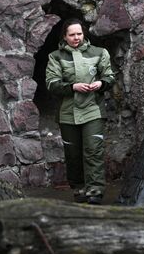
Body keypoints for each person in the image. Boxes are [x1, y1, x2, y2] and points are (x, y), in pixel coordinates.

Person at [46, 19, 116, 204]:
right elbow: (51, 84)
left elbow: (109, 76)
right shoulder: (55, 56)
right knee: (73, 155)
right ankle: (79, 189)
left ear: (84, 34)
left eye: (79, 34)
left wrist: (101, 83)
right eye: (72, 35)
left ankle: (95, 192)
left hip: (93, 110)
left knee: (94, 150)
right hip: (68, 113)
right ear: (64, 37)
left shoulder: (99, 53)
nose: (76, 38)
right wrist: (73, 86)